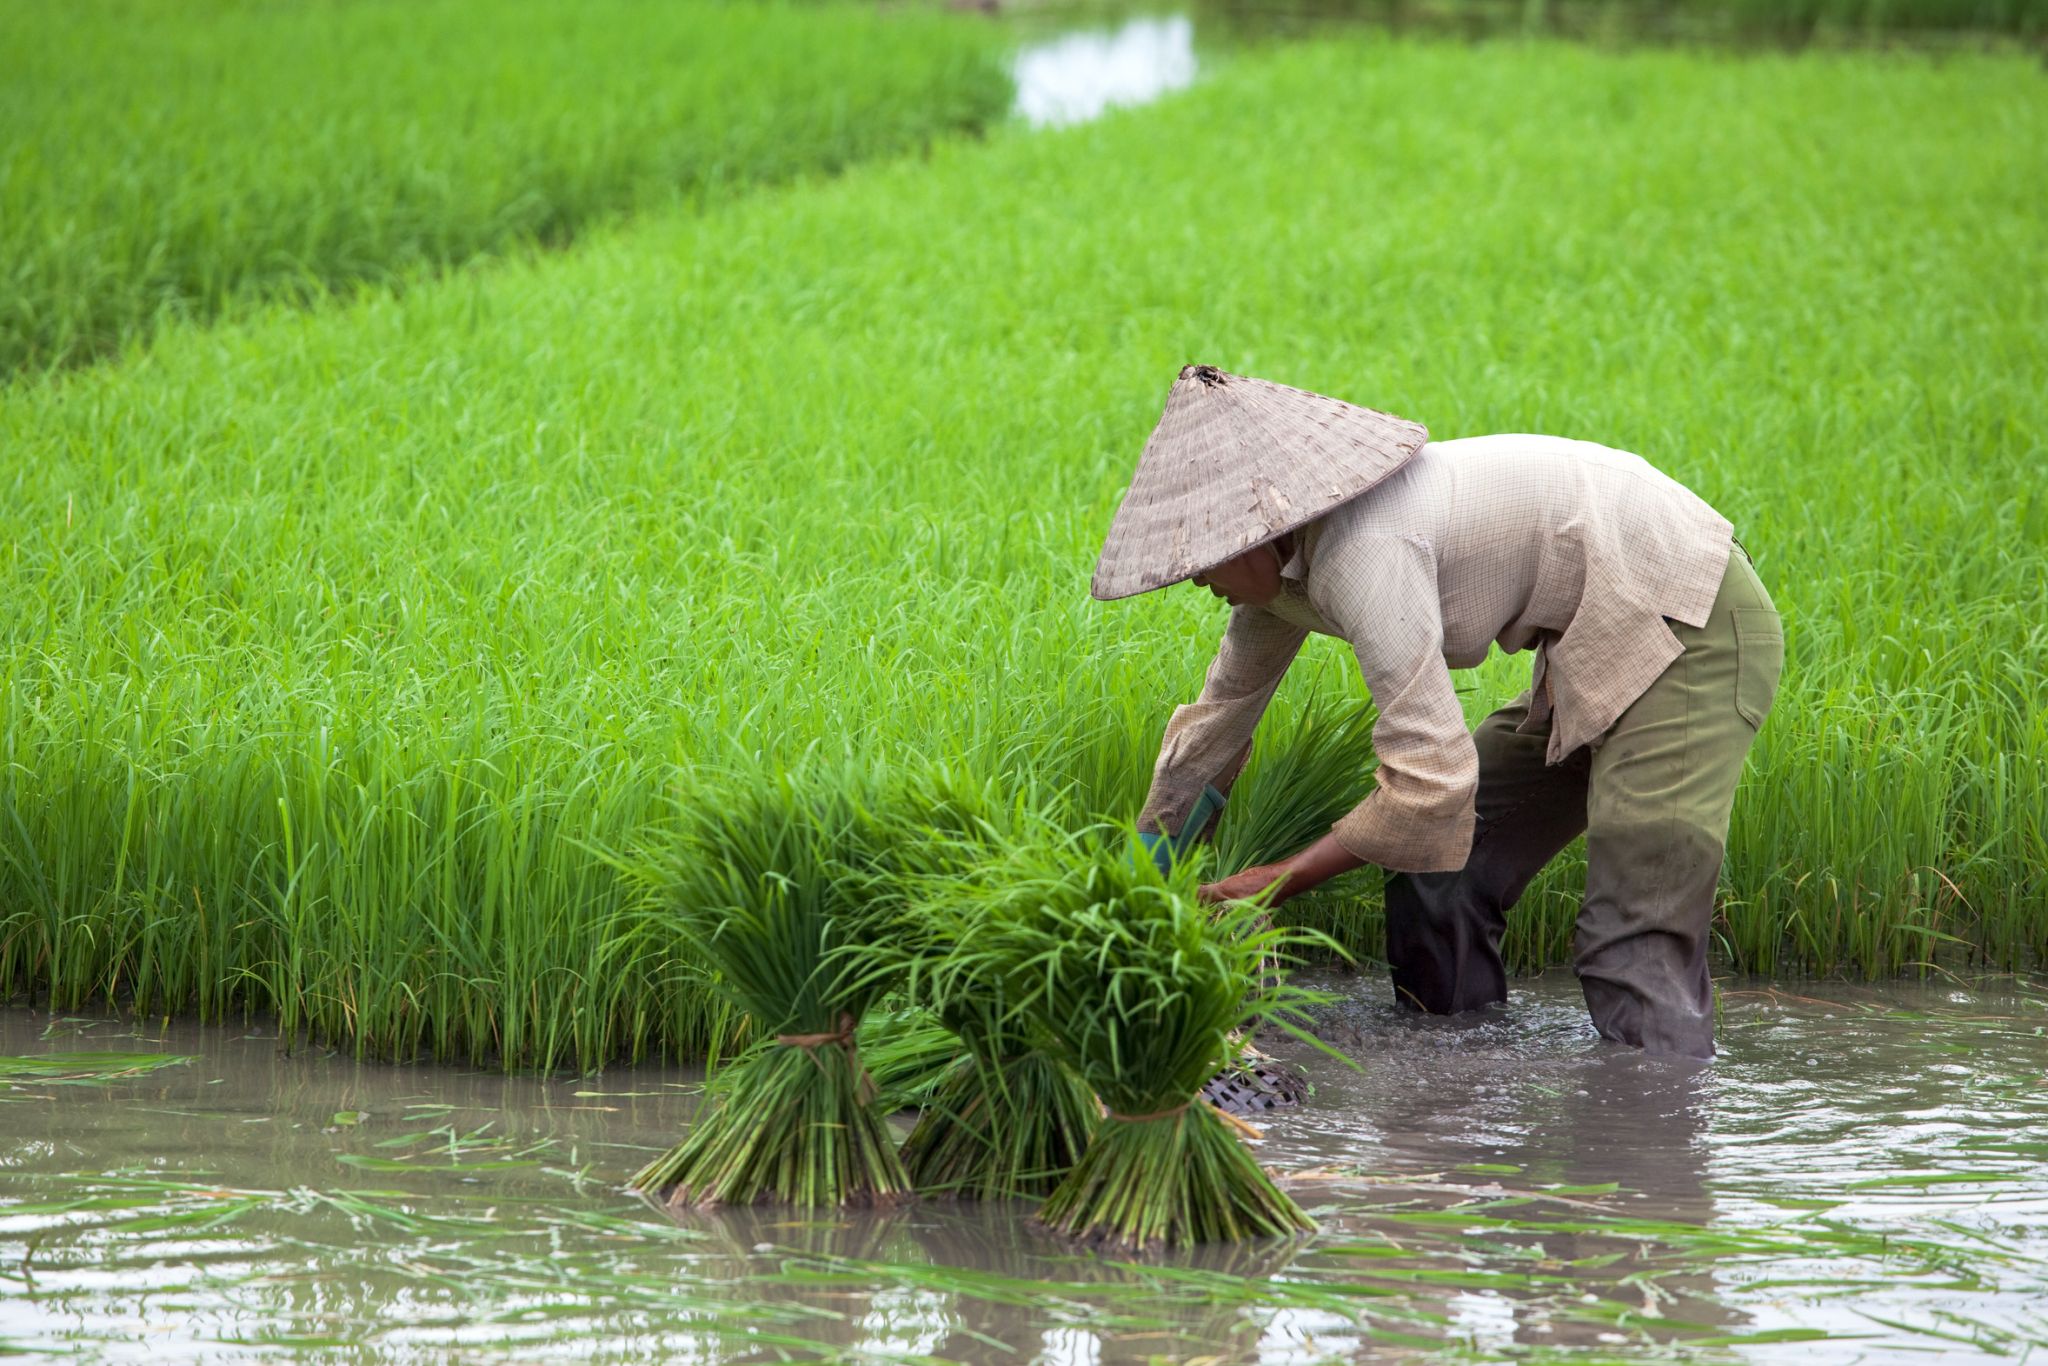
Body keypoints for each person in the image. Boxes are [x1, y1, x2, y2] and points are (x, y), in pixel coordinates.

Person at [1094, 365, 1784, 1058]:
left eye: (1201, 561)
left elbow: (1431, 783)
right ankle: (1459, 1090)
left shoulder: (1367, 552)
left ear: (1253, 532)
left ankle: (1656, 1136)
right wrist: (1142, 882)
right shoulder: (1276, 581)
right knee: (1441, 871)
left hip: (1689, 622)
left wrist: (1271, 883)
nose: (1195, 582)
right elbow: (1217, 726)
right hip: (1596, 640)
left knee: (1632, 940)